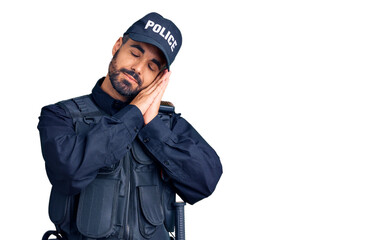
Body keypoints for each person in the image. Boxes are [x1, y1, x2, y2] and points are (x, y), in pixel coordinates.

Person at [37, 12, 222, 240]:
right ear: (117, 46)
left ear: (160, 77)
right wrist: (134, 113)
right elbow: (69, 173)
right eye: (134, 53)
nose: (138, 68)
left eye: (152, 67)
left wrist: (153, 127)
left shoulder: (168, 126)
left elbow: (204, 182)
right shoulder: (60, 116)